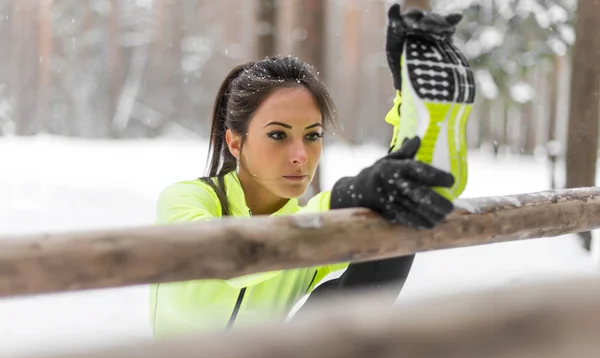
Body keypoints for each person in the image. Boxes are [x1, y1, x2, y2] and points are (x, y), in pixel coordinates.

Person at [150, 4, 470, 338]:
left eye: (313, 135)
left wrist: (410, 107)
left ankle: (420, 154)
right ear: (235, 143)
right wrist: (341, 199)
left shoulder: (311, 230)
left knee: (391, 221)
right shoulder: (186, 199)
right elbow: (230, 257)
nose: (301, 155)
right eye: (278, 135)